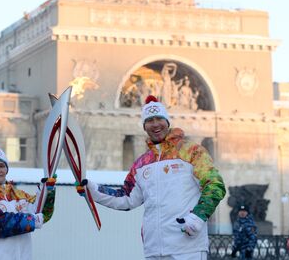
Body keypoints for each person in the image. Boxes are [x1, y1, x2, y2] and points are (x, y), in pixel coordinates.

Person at [81, 95, 226, 260]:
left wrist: (198, 217)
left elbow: (215, 185)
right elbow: (126, 198)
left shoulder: (191, 152)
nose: (155, 124)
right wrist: (92, 190)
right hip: (154, 250)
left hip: (187, 248)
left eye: (159, 119)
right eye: (149, 120)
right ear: (144, 126)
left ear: (167, 122)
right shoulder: (142, 163)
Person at [0, 143, 56, 260]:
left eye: (1, 166)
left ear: (7, 169)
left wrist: (48, 192)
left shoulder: (17, 195)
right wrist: (31, 220)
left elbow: (43, 214)